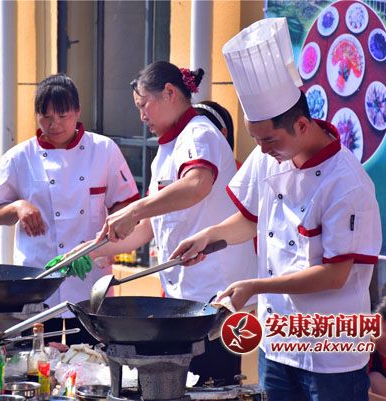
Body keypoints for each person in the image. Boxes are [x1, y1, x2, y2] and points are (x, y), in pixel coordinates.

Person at [170, 18, 382, 401]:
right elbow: (250, 220)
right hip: (278, 342)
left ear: (301, 125)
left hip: (330, 352)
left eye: (269, 140)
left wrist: (255, 286)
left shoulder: (347, 183)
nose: (262, 150)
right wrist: (207, 238)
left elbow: (335, 275)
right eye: (256, 139)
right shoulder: (268, 156)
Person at [85, 61, 257, 385]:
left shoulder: (200, 133)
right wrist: (92, 250)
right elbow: (148, 227)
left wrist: (133, 210)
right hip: (183, 298)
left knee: (212, 385)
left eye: (143, 105)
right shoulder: (165, 151)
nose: (141, 116)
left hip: (215, 297)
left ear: (169, 93)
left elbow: (196, 184)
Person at [0, 74, 140, 344]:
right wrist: (19, 207)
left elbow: (125, 203)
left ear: (77, 112)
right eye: (45, 117)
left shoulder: (104, 150)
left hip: (90, 272)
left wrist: (112, 241)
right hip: (39, 275)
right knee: (39, 355)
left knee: (93, 355)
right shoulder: (19, 157)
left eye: (62, 116)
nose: (53, 124)